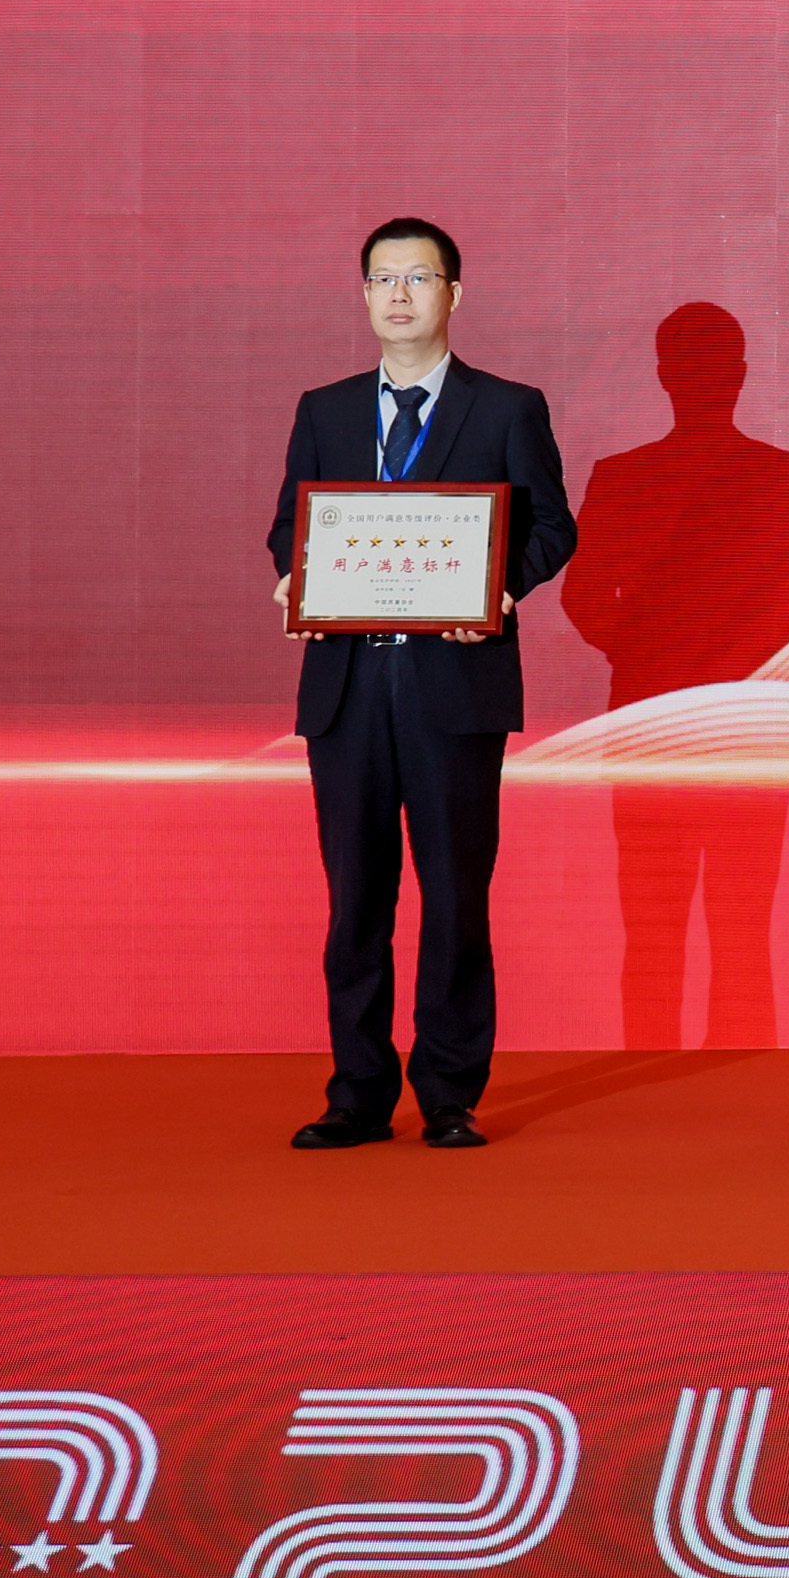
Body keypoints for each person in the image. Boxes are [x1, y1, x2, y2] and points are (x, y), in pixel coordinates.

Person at [265, 218, 576, 1150]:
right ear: (364, 294)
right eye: (382, 279)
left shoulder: (507, 407)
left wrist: (498, 590)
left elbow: (553, 528)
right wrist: (296, 573)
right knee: (356, 899)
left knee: (453, 896)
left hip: (455, 683)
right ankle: (357, 1094)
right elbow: (289, 526)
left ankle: (448, 1092)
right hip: (348, 689)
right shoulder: (324, 409)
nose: (398, 295)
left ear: (454, 294)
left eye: (418, 277)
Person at [558, 301, 789, 1048]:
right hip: (751, 728)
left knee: (652, 925)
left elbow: (582, 599)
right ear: (741, 375)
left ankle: (650, 1074)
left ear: (663, 376)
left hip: (652, 724)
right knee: (743, 923)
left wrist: (642, 651)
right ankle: (743, 1073)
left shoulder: (624, 478)